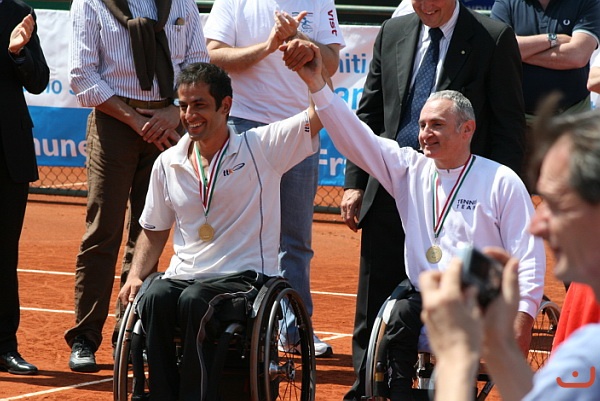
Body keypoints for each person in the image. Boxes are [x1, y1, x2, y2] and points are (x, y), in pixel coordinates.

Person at [293, 44, 544, 400]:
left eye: (437, 125)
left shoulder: (501, 180)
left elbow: (528, 255)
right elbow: (355, 137)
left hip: (481, 302)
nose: (425, 133)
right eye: (423, 125)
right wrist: (317, 85)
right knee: (398, 315)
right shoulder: (410, 169)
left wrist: (523, 316)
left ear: (467, 129)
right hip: (422, 299)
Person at [339, 0, 526, 398]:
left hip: (458, 194)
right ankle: (369, 388)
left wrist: (491, 192)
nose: (425, 4)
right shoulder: (393, 31)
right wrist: (355, 181)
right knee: (376, 302)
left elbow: (508, 126)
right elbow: (369, 115)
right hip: (393, 183)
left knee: (452, 298)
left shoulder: (492, 38)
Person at [117, 61, 321, 401]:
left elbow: (319, 114)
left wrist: (312, 72)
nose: (189, 115)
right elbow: (154, 229)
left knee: (195, 301)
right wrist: (136, 275)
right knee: (153, 297)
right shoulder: (168, 162)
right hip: (185, 276)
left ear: (225, 105)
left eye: (199, 105)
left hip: (245, 279)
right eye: (183, 105)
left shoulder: (261, 148)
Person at [418, 103, 600, 401]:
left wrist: (455, 360)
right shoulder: (588, 330)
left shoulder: (590, 348)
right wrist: (499, 348)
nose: (537, 225)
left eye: (558, 203)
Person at [65, 0, 209, 372]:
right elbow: (82, 75)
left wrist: (174, 112)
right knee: (103, 230)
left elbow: (198, 66)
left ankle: (129, 335)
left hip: (167, 123)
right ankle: (85, 337)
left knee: (149, 230)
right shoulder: (91, 3)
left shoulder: (182, 3)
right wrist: (134, 120)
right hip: (114, 121)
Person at [203, 0, 344, 357]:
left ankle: (294, 331)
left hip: (301, 126)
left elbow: (331, 63)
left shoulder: (320, 1)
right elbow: (214, 55)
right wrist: (269, 45)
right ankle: (235, 328)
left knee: (295, 240)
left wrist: (301, 39)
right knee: (237, 233)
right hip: (242, 126)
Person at [0, 0, 49, 376]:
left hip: (8, 154)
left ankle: (5, 346)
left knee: (4, 255)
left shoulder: (19, 12)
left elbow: (39, 81)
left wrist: (19, 53)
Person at [490, 0, 600, 122]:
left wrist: (519, 52)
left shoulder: (587, 2)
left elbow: (577, 56)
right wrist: (553, 39)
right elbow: (498, 48)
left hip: (573, 115)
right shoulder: (506, 3)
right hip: (517, 116)